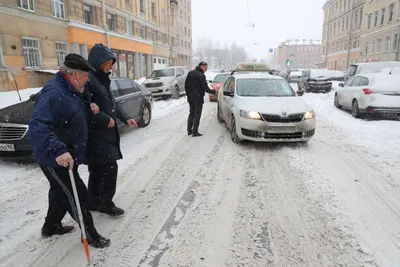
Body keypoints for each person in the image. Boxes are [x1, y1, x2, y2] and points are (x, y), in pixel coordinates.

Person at [29, 53, 110, 248]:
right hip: (54, 157)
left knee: (59, 191)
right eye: (85, 76)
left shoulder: (69, 89)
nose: (87, 79)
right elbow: (38, 126)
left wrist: (89, 106)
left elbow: (70, 107)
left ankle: (51, 226)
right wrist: (58, 150)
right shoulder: (53, 93)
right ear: (74, 74)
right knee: (76, 194)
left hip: (65, 153)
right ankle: (91, 235)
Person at [84, 44, 136, 217]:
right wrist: (105, 119)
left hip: (105, 134)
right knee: (108, 169)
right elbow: (85, 109)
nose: (110, 66)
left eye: (111, 62)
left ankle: (92, 200)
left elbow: (112, 104)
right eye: (107, 62)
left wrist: (125, 117)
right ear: (98, 62)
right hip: (97, 135)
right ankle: (106, 203)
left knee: (98, 169)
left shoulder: (102, 80)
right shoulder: (90, 81)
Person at [185, 61, 216, 137]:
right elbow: (205, 87)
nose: (206, 69)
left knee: (191, 113)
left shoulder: (190, 73)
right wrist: (213, 91)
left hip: (190, 98)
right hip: (198, 98)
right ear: (202, 66)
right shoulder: (201, 75)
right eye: (206, 67)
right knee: (197, 115)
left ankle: (189, 130)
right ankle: (195, 132)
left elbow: (186, 85)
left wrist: (188, 94)